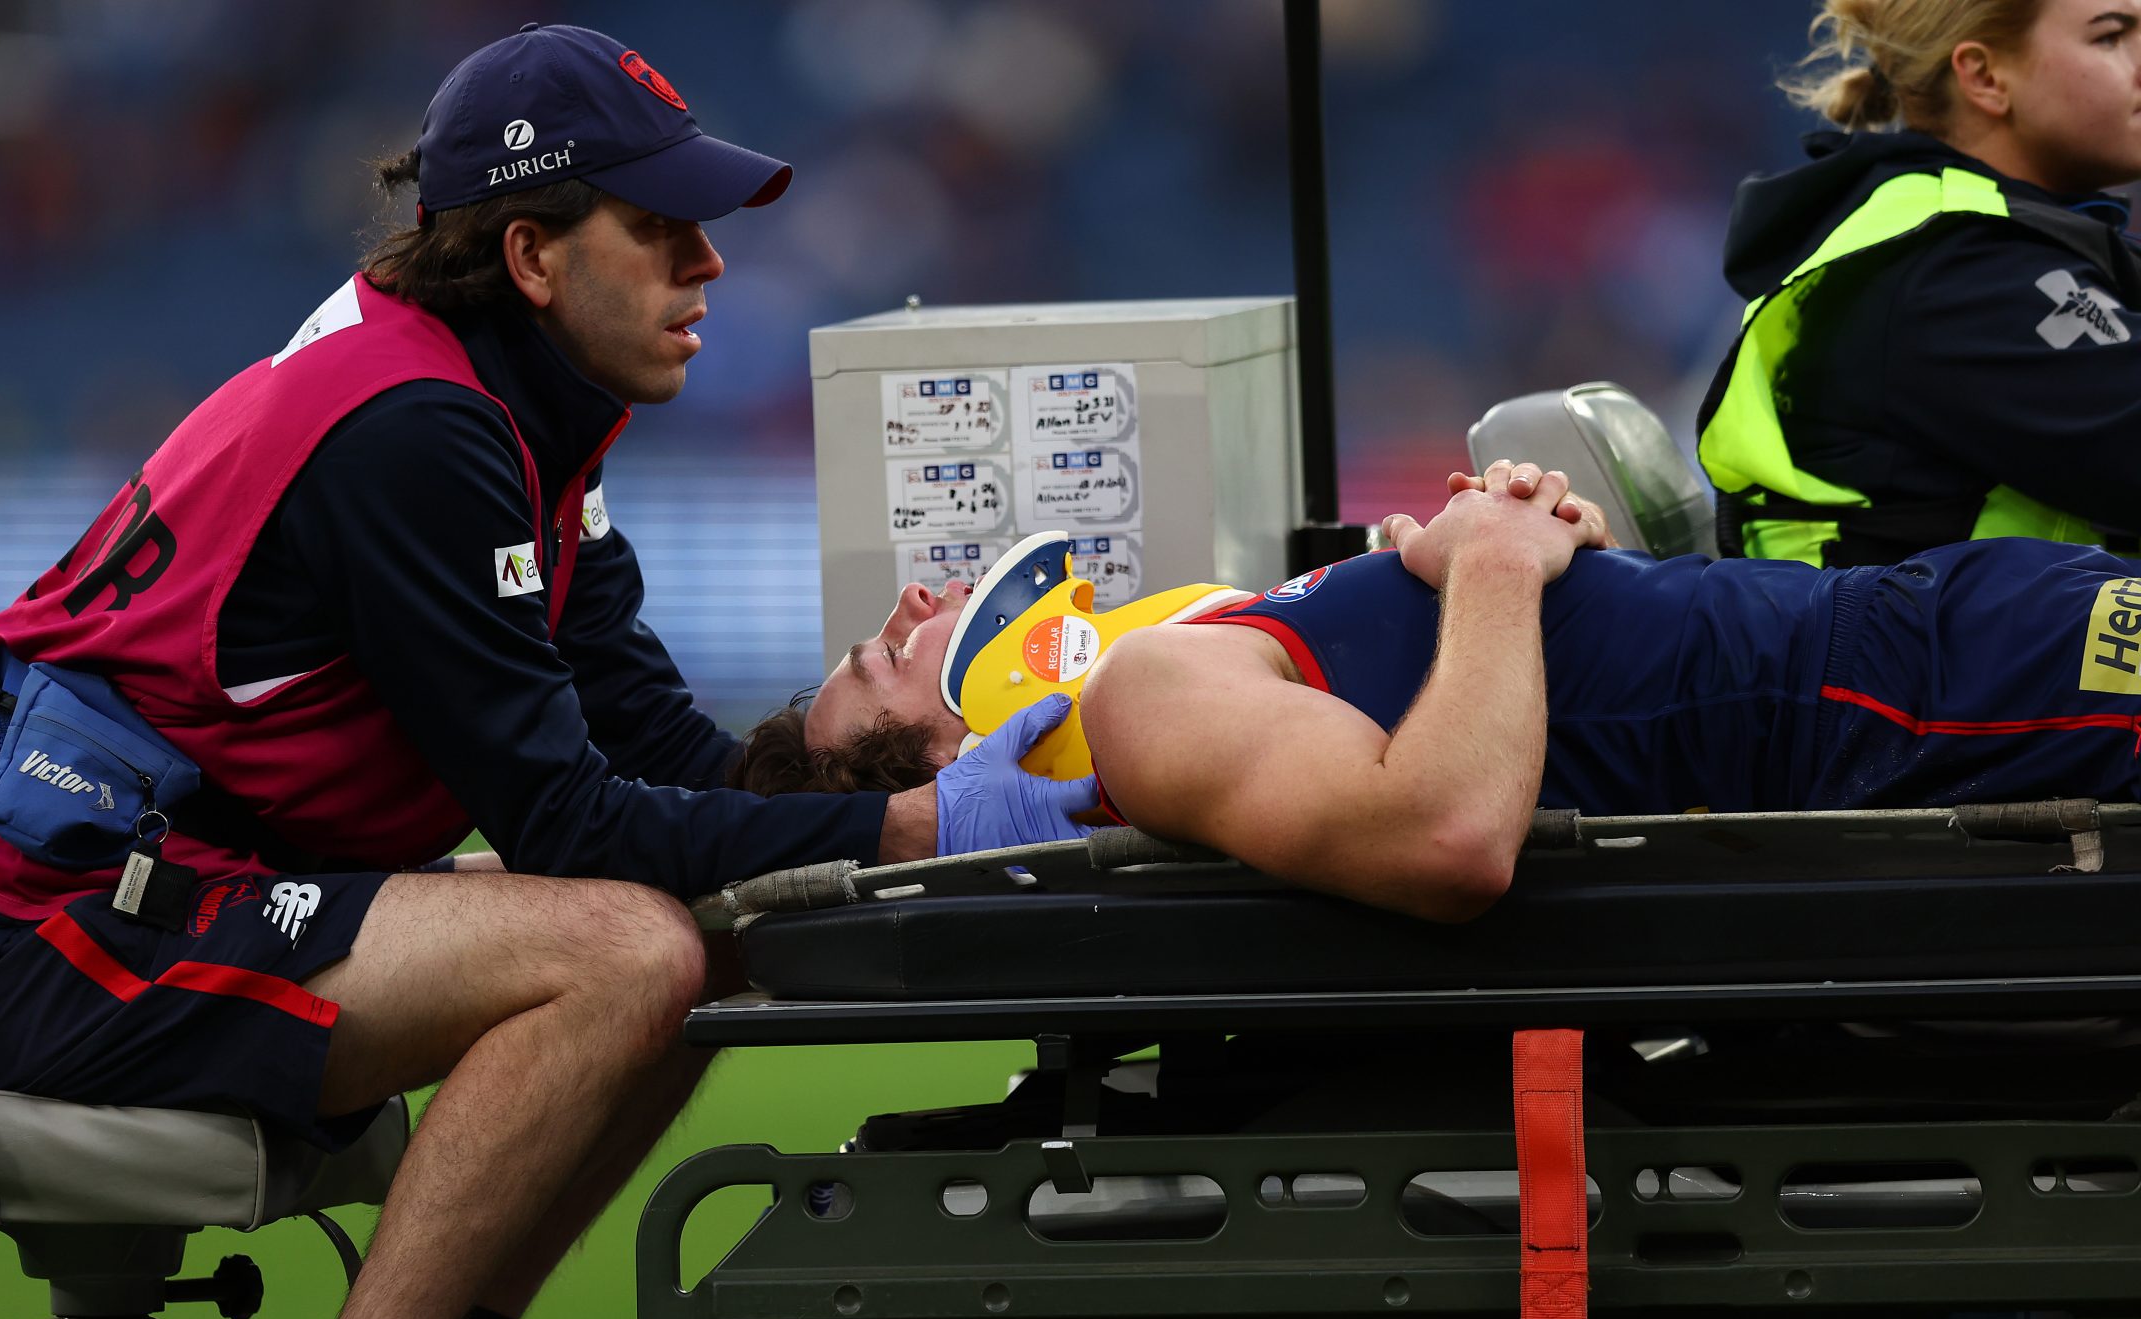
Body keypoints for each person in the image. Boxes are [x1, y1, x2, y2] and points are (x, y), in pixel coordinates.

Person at [0, 24, 1087, 1319]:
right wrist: (925, 823)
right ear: (530, 254)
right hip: (65, 934)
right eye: (658, 229)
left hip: (173, 894)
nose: (708, 265)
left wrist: (875, 766)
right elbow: (568, 819)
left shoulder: (518, 413)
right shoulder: (419, 428)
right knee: (623, 947)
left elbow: (662, 756)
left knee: (707, 930)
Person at [743, 462, 2141, 922]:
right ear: (957, 753)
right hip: (1913, 688)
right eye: (881, 661)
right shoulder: (1144, 702)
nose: (910, 608)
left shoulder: (1171, 670)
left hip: (1915, 649)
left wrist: (1523, 548)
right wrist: (1493, 563)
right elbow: (1448, 837)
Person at [1696, 0, 2141, 567]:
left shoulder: (1985, 235)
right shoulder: (1955, 269)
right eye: (2110, 37)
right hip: (1932, 630)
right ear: (1984, 77)